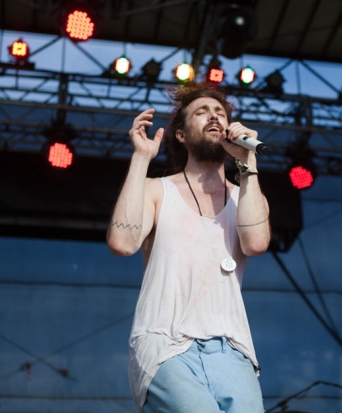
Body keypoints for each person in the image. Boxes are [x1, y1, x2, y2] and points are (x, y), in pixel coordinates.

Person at [107, 82, 271, 413]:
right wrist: (141, 159)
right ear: (180, 135)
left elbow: (255, 243)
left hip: (232, 348)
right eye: (202, 112)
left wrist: (247, 160)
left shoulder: (245, 196)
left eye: (220, 113)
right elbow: (122, 243)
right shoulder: (156, 190)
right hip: (165, 344)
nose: (213, 117)